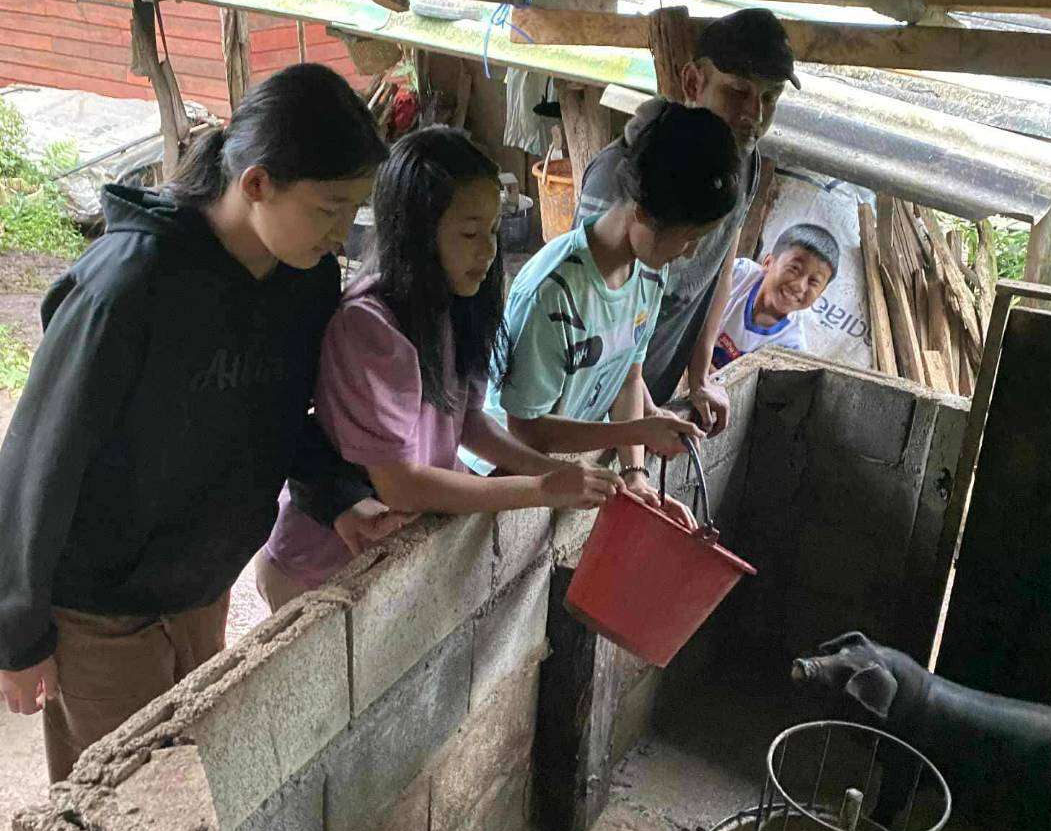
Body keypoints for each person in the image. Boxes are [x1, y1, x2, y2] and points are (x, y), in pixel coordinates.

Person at [0, 63, 395, 781]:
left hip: (199, 588)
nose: (341, 235)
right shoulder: (130, 283)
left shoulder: (304, 281)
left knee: (184, 780)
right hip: (101, 610)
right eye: (329, 208)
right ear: (256, 184)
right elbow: (37, 461)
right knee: (124, 799)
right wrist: (18, 629)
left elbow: (280, 415)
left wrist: (336, 496)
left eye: (353, 211)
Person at [257, 127, 621, 608]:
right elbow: (401, 484)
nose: (489, 251)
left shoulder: (453, 306)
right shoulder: (371, 328)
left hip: (383, 552)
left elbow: (469, 422)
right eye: (470, 233)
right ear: (417, 234)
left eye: (492, 230)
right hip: (318, 565)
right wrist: (539, 488)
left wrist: (555, 473)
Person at [485, 103, 738, 512]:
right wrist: (640, 428)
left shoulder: (650, 272)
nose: (690, 254)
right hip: (505, 474)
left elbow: (627, 379)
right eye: (687, 238)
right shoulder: (554, 295)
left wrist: (635, 474)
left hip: (565, 469)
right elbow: (526, 428)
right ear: (640, 213)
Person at [574, 7, 798, 436]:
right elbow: (590, 309)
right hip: (590, 396)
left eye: (769, 98)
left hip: (647, 388)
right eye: (737, 92)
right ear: (693, 82)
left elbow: (719, 270)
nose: (755, 114)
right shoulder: (625, 173)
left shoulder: (743, 164)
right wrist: (627, 422)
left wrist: (700, 376)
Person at [711, 223, 840, 366]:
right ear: (768, 262)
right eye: (794, 268)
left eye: (814, 281)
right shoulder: (738, 274)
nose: (799, 286)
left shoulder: (792, 347)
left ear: (820, 293)